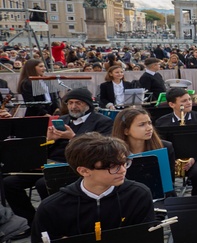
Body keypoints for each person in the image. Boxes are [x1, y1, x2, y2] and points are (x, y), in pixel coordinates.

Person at [3, 87, 114, 225]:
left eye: (78, 103)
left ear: (88, 104)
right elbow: (44, 148)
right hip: (49, 162)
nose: (73, 106)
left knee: (43, 184)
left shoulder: (102, 122)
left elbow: (101, 149)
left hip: (77, 165)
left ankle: (54, 221)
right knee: (9, 182)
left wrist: (73, 137)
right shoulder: (62, 119)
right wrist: (49, 139)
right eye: (70, 103)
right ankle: (30, 221)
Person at [154, 87, 197, 196]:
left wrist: (193, 159)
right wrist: (173, 160)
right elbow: (159, 145)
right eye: (184, 101)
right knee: (161, 174)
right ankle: (168, 198)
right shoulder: (161, 122)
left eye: (189, 99)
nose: (189, 103)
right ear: (172, 104)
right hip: (171, 158)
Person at [111, 107, 177, 192]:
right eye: (142, 124)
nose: (149, 128)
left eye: (149, 123)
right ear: (126, 131)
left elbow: (169, 183)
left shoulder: (165, 147)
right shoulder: (112, 151)